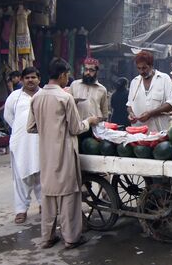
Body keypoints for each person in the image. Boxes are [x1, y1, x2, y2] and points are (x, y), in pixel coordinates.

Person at [27, 58, 99, 249]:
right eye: (67, 75)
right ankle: (71, 238)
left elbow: (31, 127)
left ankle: (47, 237)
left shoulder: (36, 97)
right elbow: (76, 128)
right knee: (69, 195)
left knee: (48, 194)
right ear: (61, 76)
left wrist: (48, 129)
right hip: (65, 152)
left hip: (46, 152)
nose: (67, 79)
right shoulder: (65, 98)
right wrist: (89, 121)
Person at [4, 67, 42, 224]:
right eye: (27, 78)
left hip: (41, 142)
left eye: (33, 77)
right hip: (21, 143)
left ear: (39, 79)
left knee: (42, 176)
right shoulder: (15, 96)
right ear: (22, 80)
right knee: (21, 177)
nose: (30, 80)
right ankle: (21, 210)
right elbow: (8, 116)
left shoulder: (43, 95)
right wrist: (21, 131)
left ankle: (44, 204)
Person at [127, 51, 172, 132]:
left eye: (144, 68)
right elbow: (129, 105)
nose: (141, 72)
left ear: (151, 66)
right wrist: (131, 114)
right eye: (139, 68)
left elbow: (171, 104)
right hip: (139, 132)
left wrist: (150, 114)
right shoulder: (134, 82)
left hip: (160, 131)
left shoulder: (164, 78)